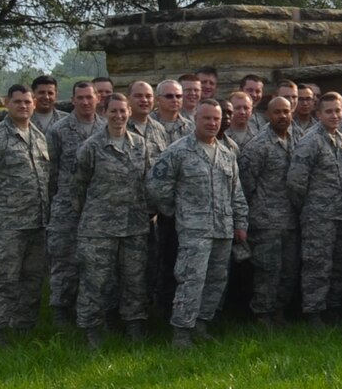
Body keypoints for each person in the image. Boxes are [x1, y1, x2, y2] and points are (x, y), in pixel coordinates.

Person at [148, 101, 247, 348]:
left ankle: (202, 325)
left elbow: (236, 192)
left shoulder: (227, 153)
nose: (212, 123)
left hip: (222, 229)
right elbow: (156, 186)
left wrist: (240, 222)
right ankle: (181, 333)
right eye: (207, 118)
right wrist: (176, 211)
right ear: (195, 119)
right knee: (191, 280)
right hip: (194, 231)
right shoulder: (178, 151)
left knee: (216, 280)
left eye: (216, 118)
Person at [0, 84, 54, 344]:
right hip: (5, 225)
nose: (23, 106)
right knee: (0, 280)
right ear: (7, 103)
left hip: (36, 223)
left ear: (34, 104)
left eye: (28, 101)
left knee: (31, 279)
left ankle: (24, 329)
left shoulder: (38, 136)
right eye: (18, 102)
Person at [67, 93, 154, 348]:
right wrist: (90, 216)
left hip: (134, 226)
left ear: (129, 113)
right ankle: (91, 329)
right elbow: (78, 187)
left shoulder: (141, 145)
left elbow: (149, 182)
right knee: (95, 281)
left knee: (134, 280)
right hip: (98, 228)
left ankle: (134, 325)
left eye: (122, 111)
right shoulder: (91, 147)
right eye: (113, 111)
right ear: (104, 113)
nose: (118, 116)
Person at [287, 92, 342, 327]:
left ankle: (333, 310)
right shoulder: (310, 141)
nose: (335, 115)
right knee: (317, 265)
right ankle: (313, 312)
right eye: (329, 111)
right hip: (318, 216)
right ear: (318, 114)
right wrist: (310, 208)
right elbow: (295, 182)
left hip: (340, 214)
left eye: (338, 110)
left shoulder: (341, 140)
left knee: (338, 264)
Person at [237, 94, 300, 327]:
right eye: (277, 112)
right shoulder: (257, 147)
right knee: (267, 271)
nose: (283, 116)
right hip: (265, 222)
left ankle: (279, 311)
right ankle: (262, 314)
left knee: (289, 270)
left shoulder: (297, 139)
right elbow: (246, 186)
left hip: (291, 220)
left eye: (286, 111)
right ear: (267, 115)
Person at [43, 80, 103, 326]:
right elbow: (51, 172)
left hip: (98, 207)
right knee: (64, 261)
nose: (86, 102)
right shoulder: (58, 130)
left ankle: (92, 312)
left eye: (90, 97)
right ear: (73, 100)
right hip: (66, 208)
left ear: (97, 98)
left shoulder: (106, 127)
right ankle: (60, 311)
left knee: (96, 262)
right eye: (81, 98)